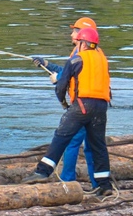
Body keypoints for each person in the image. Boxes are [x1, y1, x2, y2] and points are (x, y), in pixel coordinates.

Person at [23, 26, 114, 196]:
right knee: (98, 145)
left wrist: (63, 102)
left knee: (61, 136)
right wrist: (48, 66)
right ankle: (104, 185)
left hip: (81, 105)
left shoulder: (76, 59)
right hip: (101, 107)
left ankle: (42, 172)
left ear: (83, 43)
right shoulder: (102, 59)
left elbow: (62, 86)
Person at [31, 17, 97, 184]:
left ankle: (67, 180)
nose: (71, 34)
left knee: (71, 141)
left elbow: (70, 76)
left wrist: (58, 80)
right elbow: (68, 71)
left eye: (74, 30)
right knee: (91, 146)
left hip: (82, 106)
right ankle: (98, 183)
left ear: (82, 35)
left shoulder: (81, 54)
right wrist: (48, 65)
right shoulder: (89, 53)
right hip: (96, 106)